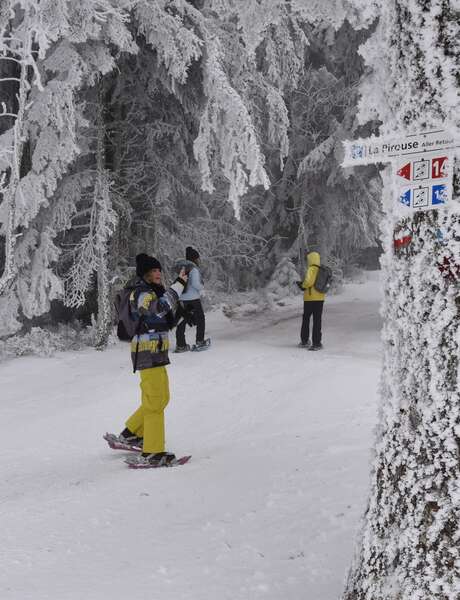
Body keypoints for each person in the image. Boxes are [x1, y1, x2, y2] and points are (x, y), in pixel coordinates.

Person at [107, 253, 188, 467]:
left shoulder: (151, 291)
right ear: (145, 273)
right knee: (155, 402)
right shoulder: (140, 292)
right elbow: (156, 309)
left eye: (159, 270)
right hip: (147, 353)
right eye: (154, 270)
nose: (159, 273)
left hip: (156, 354)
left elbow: (161, 320)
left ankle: (133, 433)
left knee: (160, 399)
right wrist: (178, 286)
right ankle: (153, 452)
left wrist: (179, 311)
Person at [175, 246, 209, 352]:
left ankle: (181, 345)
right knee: (200, 319)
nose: (198, 260)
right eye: (197, 258)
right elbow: (195, 283)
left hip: (181, 298)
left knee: (182, 320)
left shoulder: (180, 267)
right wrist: (202, 288)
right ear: (194, 258)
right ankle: (200, 341)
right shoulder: (193, 268)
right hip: (193, 298)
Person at [298, 250, 326, 351]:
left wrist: (302, 285)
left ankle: (305, 341)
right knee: (317, 320)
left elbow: (308, 282)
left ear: (310, 259)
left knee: (306, 319)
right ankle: (317, 343)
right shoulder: (322, 270)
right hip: (320, 298)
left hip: (309, 298)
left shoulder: (311, 268)